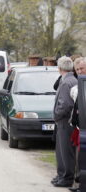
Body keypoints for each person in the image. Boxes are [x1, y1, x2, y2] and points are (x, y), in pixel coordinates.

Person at [52, 56, 78, 188]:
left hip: (65, 121)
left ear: (59, 68)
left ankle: (66, 177)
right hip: (67, 120)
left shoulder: (66, 82)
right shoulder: (72, 80)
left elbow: (65, 104)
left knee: (65, 150)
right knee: (61, 149)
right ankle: (62, 175)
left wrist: (56, 115)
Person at [68, 57, 86, 192]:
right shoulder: (78, 85)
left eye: (82, 68)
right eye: (77, 69)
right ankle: (80, 184)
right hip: (79, 127)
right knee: (80, 158)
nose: (80, 71)